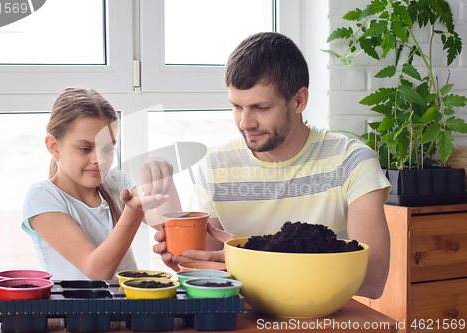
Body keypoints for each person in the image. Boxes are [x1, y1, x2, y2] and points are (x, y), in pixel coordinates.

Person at [153, 32, 392, 299]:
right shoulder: (214, 166)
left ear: (299, 101)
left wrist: (252, 253)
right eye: (236, 106)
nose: (245, 123)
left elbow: (372, 278)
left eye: (261, 108)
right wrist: (186, 263)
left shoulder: (352, 161)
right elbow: (213, 268)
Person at [22, 87, 181, 281]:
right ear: (54, 147)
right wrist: (133, 212)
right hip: (78, 311)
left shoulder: (114, 182)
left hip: (127, 310)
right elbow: (97, 271)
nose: (99, 159)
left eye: (108, 148)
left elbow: (170, 226)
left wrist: (164, 179)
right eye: (85, 148)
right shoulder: (43, 197)